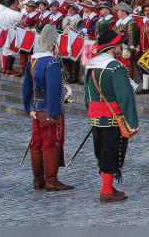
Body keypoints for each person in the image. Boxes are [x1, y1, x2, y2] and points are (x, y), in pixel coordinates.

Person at [85, 28, 139, 202]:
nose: (120, 46)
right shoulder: (116, 67)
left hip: (95, 115)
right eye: (118, 43)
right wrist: (132, 121)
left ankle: (107, 186)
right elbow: (124, 96)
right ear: (113, 46)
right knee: (112, 151)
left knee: (101, 151)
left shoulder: (91, 64)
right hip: (113, 116)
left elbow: (87, 94)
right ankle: (106, 190)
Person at [21, 25, 73, 191]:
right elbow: (54, 89)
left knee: (37, 143)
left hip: (36, 107)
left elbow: (26, 87)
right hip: (49, 109)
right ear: (53, 43)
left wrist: (28, 106)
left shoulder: (33, 60)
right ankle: (51, 180)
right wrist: (55, 112)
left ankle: (38, 179)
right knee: (51, 143)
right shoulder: (51, 62)